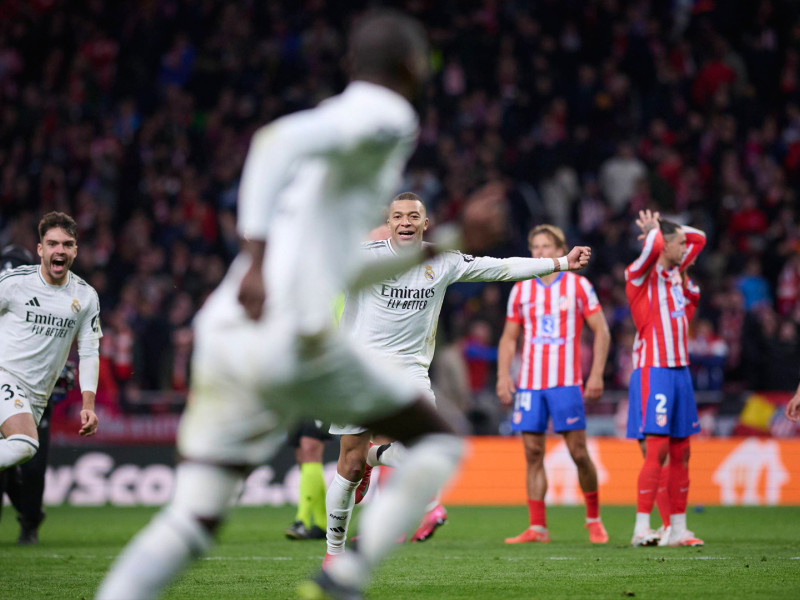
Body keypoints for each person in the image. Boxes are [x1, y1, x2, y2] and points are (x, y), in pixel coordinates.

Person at [96, 11, 501, 600]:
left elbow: (350, 265)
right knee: (440, 442)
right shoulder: (389, 114)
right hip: (292, 336)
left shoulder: (338, 167)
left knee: (192, 518)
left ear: (349, 64)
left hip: (227, 334)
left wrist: (460, 240)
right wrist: (256, 258)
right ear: (413, 67)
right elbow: (273, 142)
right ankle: (343, 576)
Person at [324, 195, 592, 562]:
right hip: (360, 371)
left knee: (431, 448)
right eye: (398, 217)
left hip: (409, 370)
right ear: (388, 224)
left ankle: (376, 457)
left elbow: (501, 268)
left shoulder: (442, 260)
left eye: (413, 216)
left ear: (425, 223)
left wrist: (560, 263)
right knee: (349, 466)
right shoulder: (366, 256)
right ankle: (333, 552)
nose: (405, 222)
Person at [497, 224, 611, 545]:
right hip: (530, 384)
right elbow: (508, 338)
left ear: (560, 249)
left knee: (578, 452)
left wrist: (597, 374)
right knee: (532, 452)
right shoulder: (521, 289)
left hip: (565, 383)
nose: (540, 253)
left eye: (546, 246)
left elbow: (601, 331)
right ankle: (538, 527)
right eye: (535, 247)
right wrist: (503, 375)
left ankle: (593, 519)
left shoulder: (578, 286)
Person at [625, 209, 706, 547]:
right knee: (656, 449)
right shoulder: (638, 277)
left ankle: (678, 529)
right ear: (665, 247)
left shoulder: (678, 278)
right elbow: (655, 245)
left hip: (680, 370)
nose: (687, 248)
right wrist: (656, 232)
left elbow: (700, 237)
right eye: (679, 244)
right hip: (653, 369)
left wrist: (669, 228)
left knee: (682, 451)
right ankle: (641, 528)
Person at [0, 213, 100, 478]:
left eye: (67, 244)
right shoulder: (14, 283)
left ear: (75, 251)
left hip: (36, 396)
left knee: (19, 448)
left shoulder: (86, 297)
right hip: (5, 376)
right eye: (53, 243)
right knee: (25, 443)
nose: (60, 250)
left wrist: (88, 405)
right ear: (40, 249)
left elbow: (89, 352)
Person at [0, 245, 77, 545]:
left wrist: (60, 369)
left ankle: (30, 521)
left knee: (30, 463)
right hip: (7, 386)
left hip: (35, 391)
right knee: (18, 461)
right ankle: (30, 519)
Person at [284, 420, 331, 540]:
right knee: (301, 456)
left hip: (316, 404)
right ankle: (323, 524)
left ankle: (302, 521)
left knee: (310, 449)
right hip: (295, 407)